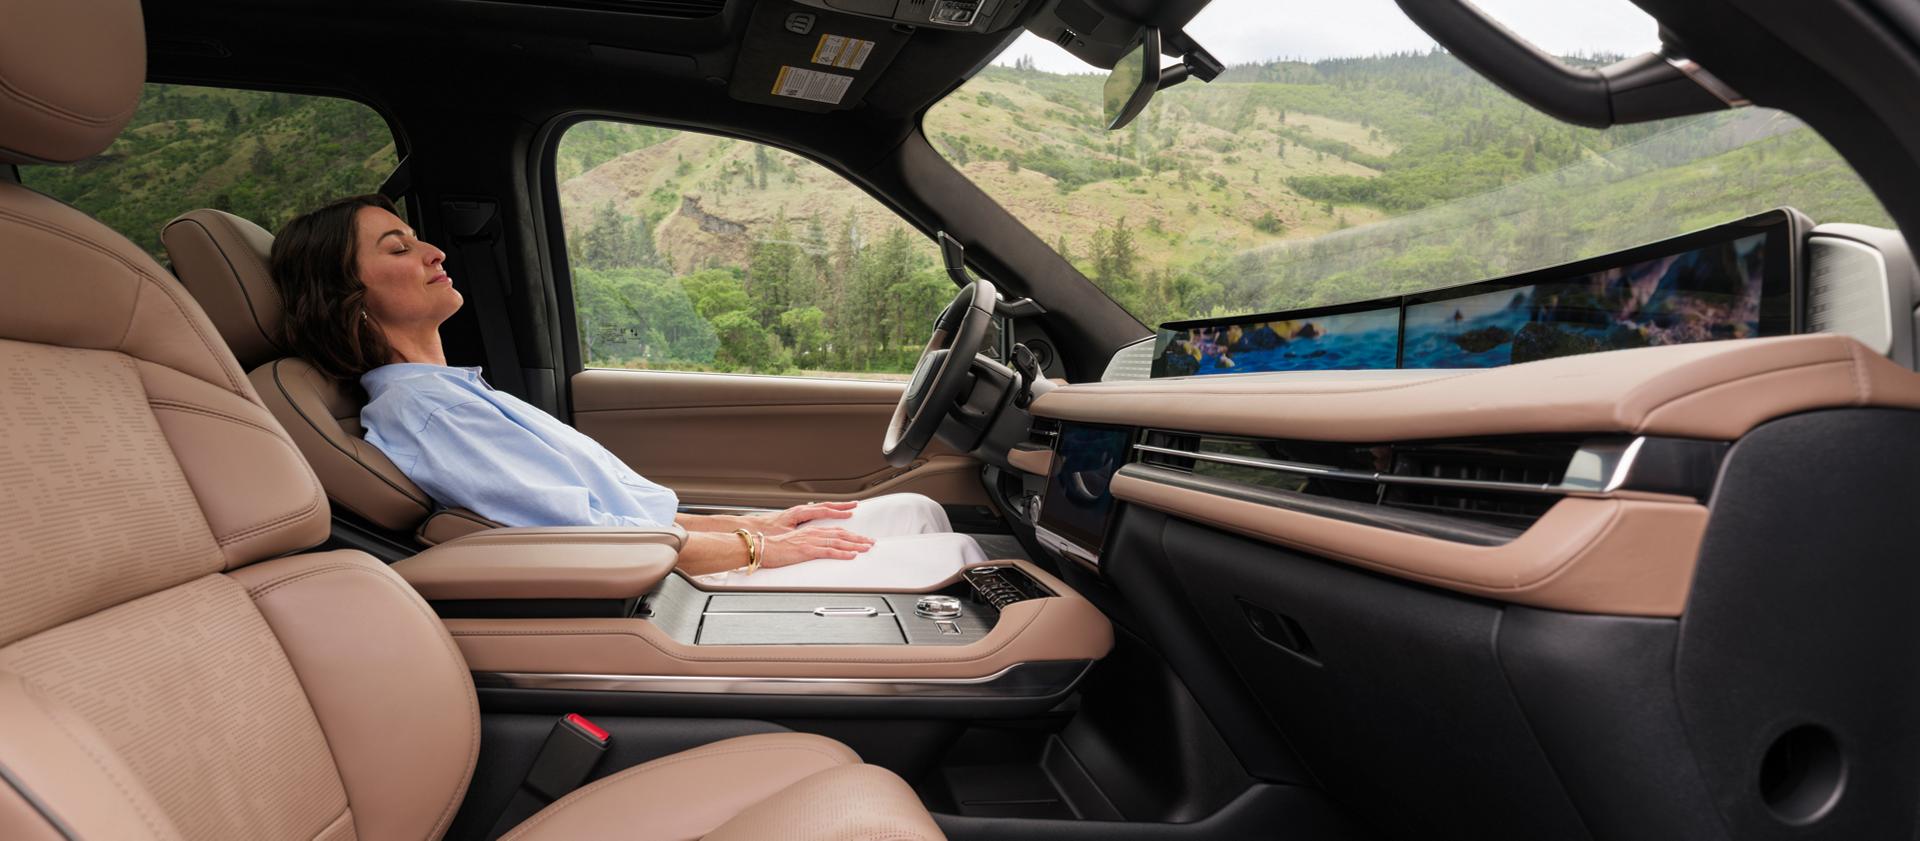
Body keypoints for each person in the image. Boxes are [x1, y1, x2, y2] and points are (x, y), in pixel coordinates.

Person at [269, 194, 985, 588]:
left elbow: (621, 513)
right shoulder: (420, 410)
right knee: (955, 564)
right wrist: (759, 550)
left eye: (418, 238)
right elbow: (588, 540)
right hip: (668, 585)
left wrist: (765, 524)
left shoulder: (451, 392)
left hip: (673, 554)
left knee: (919, 508)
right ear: (346, 295)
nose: (433, 251)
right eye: (397, 248)